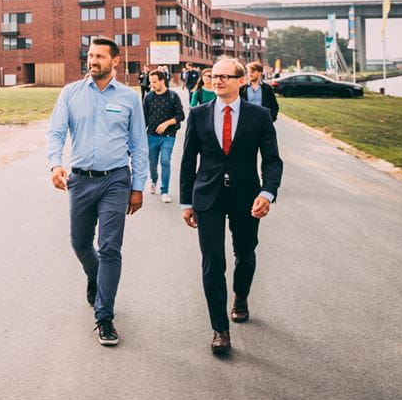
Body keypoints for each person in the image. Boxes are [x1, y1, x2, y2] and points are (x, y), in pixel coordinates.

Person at [47, 38, 149, 347]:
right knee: (79, 243)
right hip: (80, 181)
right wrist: (55, 165)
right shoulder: (71, 93)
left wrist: (138, 187)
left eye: (100, 56)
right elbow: (56, 132)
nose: (93, 61)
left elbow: (138, 146)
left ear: (114, 61)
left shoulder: (129, 98)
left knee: (110, 248)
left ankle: (104, 317)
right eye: (91, 55)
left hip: (115, 180)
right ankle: (94, 275)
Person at [179, 57, 283, 355]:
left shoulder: (259, 116)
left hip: (246, 196)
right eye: (215, 76)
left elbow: (272, 160)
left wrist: (267, 192)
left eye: (226, 76)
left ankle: (240, 296)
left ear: (240, 80)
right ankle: (219, 329)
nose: (218, 80)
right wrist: (186, 201)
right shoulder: (198, 114)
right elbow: (188, 161)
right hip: (207, 196)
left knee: (246, 253)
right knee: (212, 260)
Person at [143, 70, 185, 203]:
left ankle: (165, 191)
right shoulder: (148, 97)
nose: (152, 85)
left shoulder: (173, 96)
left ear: (162, 81)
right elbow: (144, 118)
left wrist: (167, 123)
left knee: (165, 162)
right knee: (152, 163)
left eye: (154, 82)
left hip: (169, 136)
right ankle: (154, 180)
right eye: (150, 82)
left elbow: (181, 115)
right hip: (151, 136)